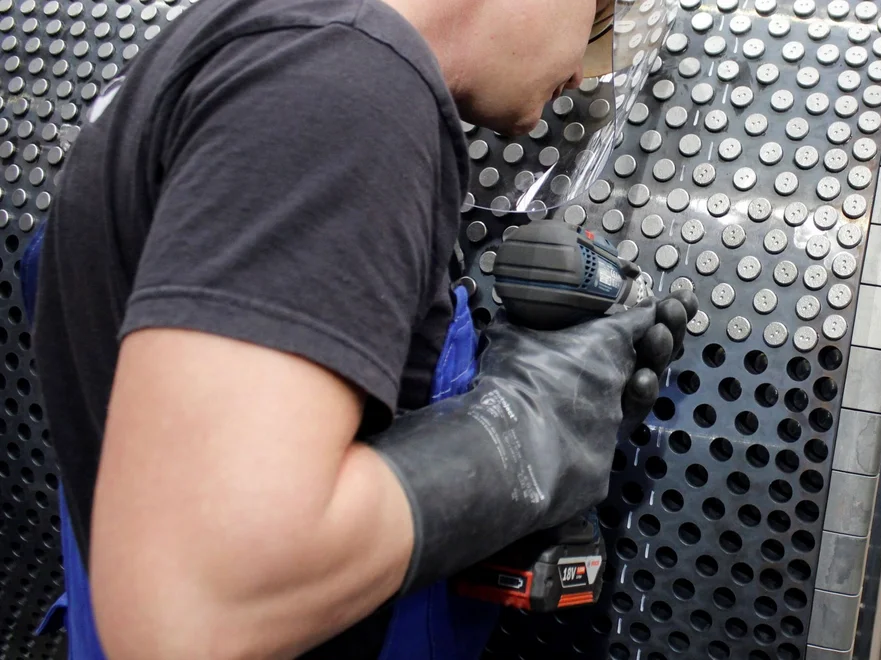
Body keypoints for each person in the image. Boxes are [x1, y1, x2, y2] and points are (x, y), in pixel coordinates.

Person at [28, 0, 696, 657]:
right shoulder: (345, 87)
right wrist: (529, 430)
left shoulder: (253, 47)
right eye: (600, 14)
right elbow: (201, 610)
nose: (585, 71)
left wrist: (508, 436)